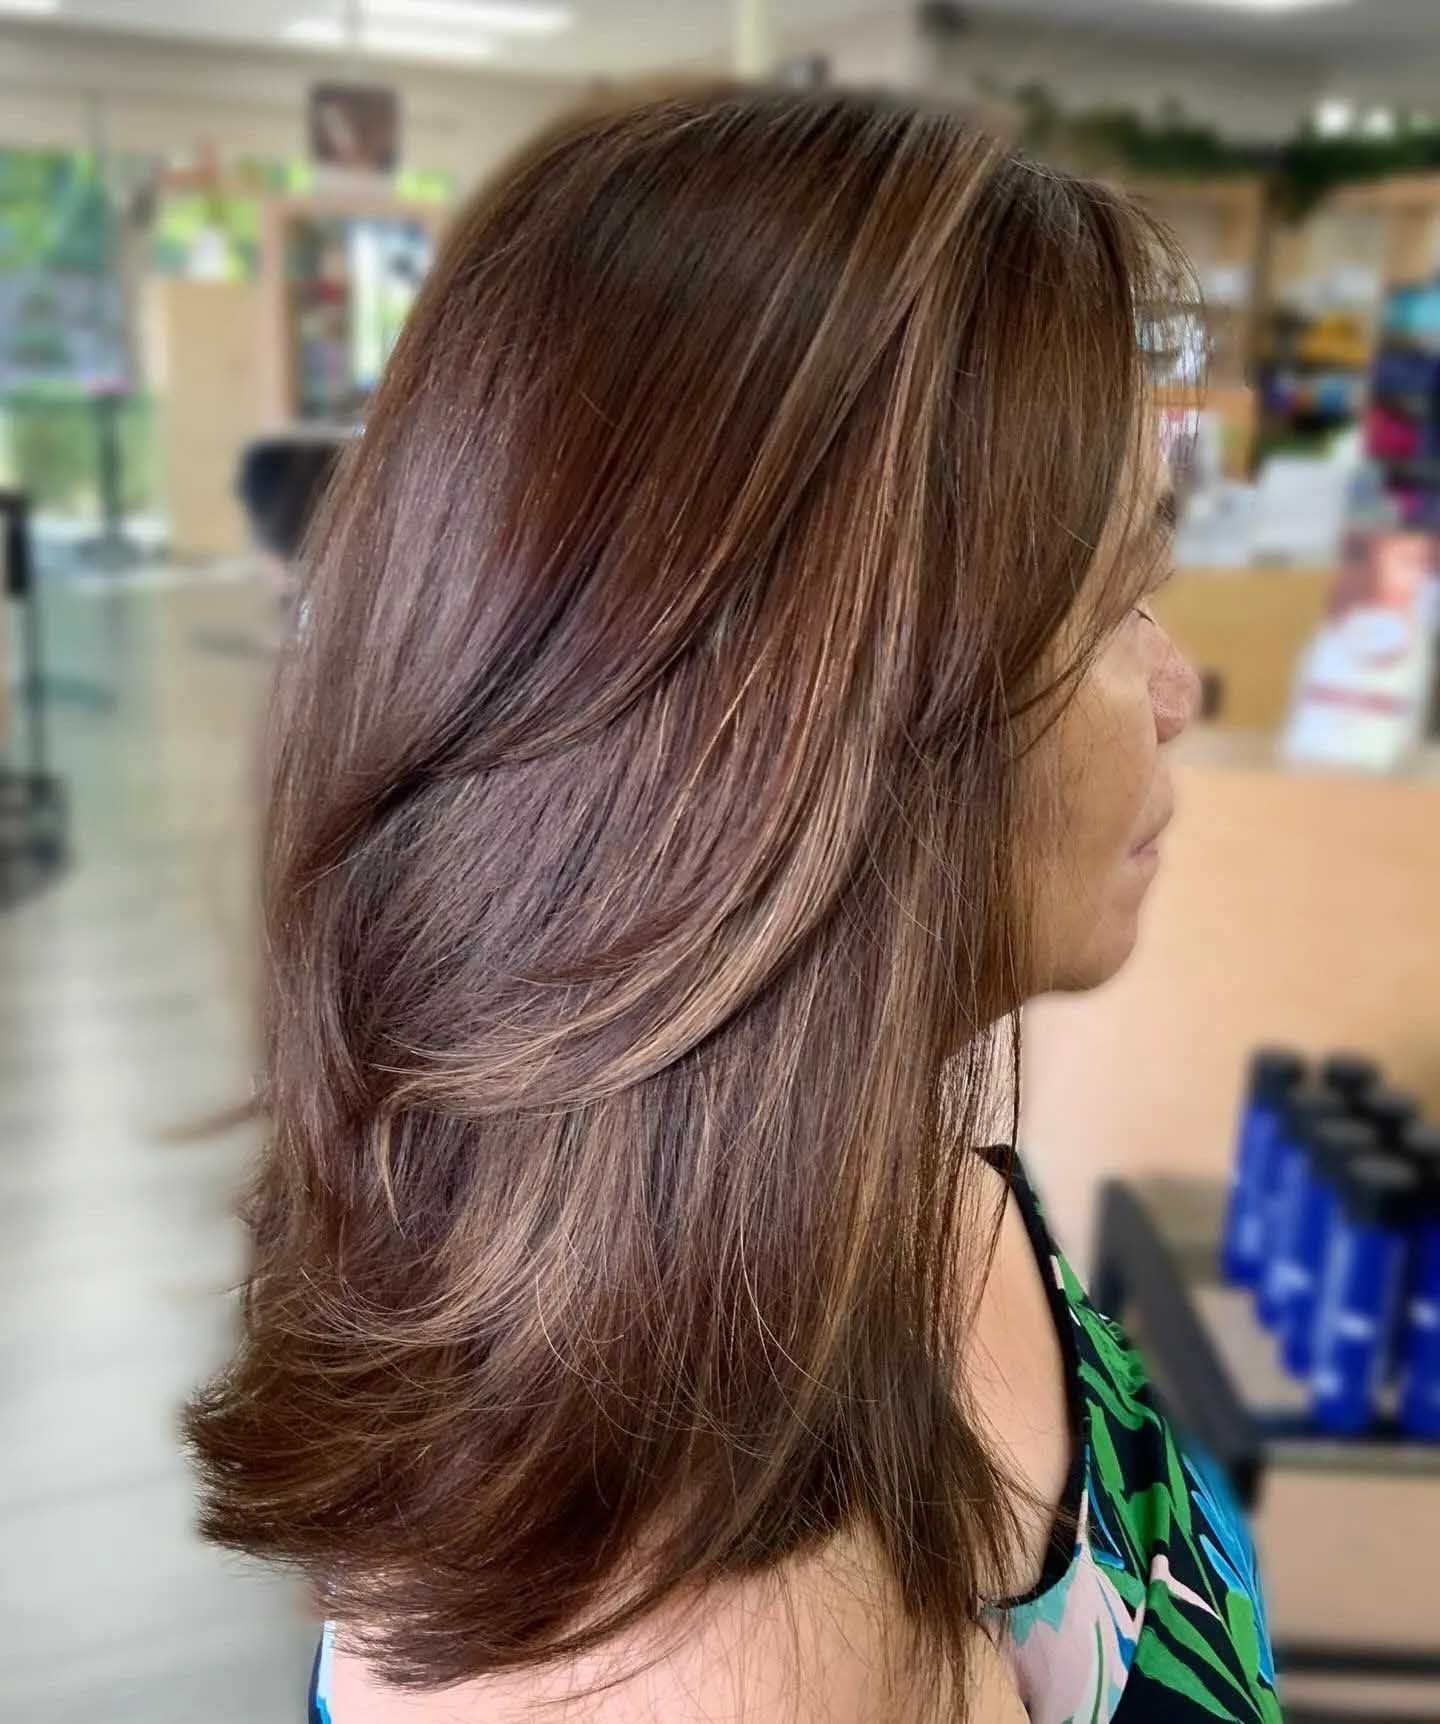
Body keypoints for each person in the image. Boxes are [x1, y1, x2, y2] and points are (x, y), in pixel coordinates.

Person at [184, 86, 1272, 1723]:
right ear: (817, 749)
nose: (1178, 687)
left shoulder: (857, 1181)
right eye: (1121, 596)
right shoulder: (735, 1653)